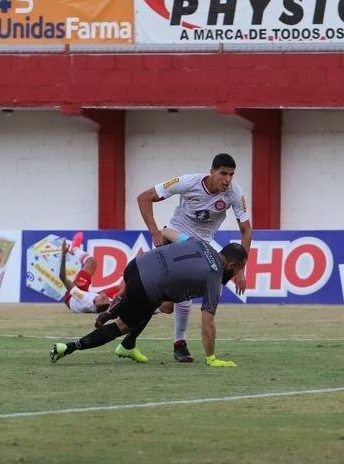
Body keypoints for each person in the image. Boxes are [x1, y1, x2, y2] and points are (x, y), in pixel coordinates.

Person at [50, 240, 247, 367]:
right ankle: (69, 347)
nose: (237, 275)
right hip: (147, 287)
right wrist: (211, 358)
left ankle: (126, 339)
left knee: (159, 304)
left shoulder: (200, 242)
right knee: (123, 325)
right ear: (231, 265)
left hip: (136, 265)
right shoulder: (214, 277)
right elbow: (207, 322)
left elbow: (168, 233)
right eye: (239, 270)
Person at [136, 152, 253, 363]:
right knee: (185, 293)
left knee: (167, 305)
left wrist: (241, 269)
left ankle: (142, 309)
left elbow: (246, 231)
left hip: (202, 247)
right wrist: (155, 232)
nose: (228, 179)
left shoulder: (235, 193)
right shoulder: (188, 182)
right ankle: (179, 343)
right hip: (176, 237)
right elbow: (144, 197)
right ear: (212, 172)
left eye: (232, 175)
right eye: (223, 173)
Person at [56, 231, 122, 315]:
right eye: (106, 299)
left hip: (72, 298)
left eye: (102, 299)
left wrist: (63, 255)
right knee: (121, 287)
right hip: (90, 299)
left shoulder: (85, 299)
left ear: (96, 304)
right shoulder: (106, 302)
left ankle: (74, 249)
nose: (104, 296)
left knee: (91, 262)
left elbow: (63, 278)